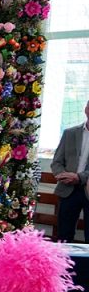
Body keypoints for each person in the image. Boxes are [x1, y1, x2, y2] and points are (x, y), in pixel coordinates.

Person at [50, 99, 89, 243]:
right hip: (68, 189)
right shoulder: (69, 133)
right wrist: (63, 175)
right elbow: (56, 162)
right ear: (86, 110)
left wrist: (79, 177)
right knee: (64, 236)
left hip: (87, 188)